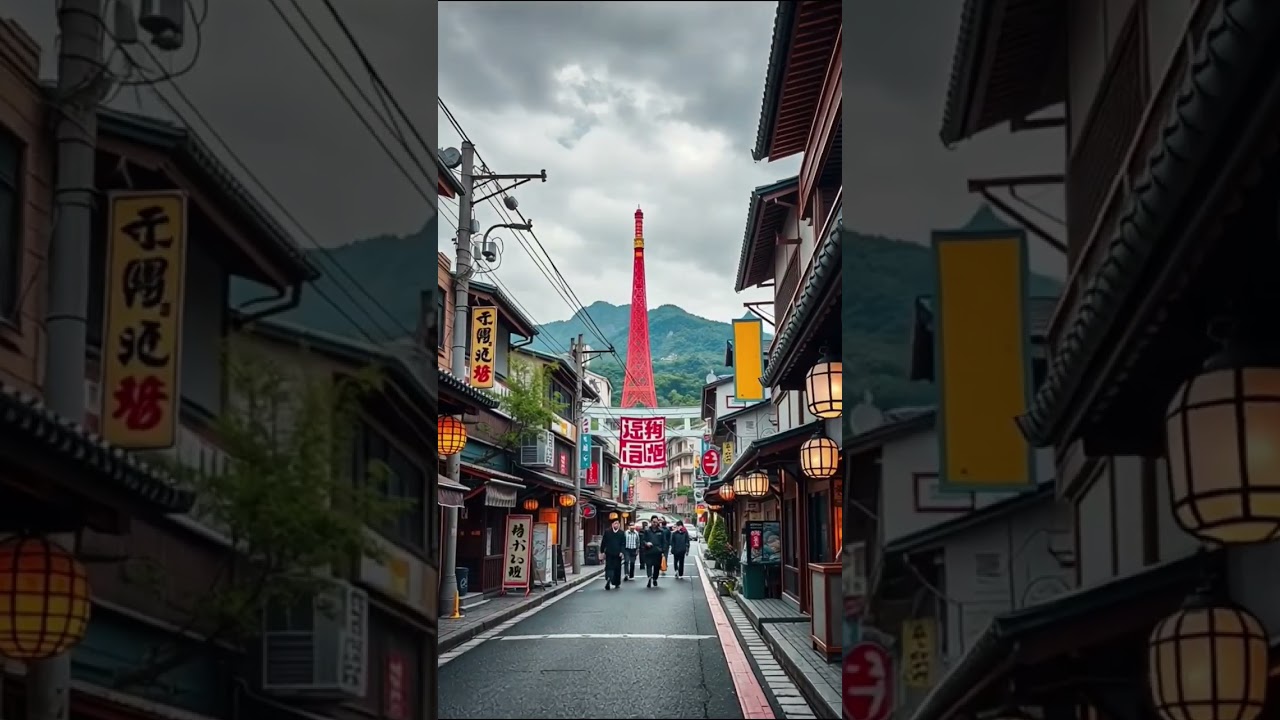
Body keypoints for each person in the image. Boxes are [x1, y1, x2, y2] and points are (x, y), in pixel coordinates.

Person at [640, 516, 667, 588]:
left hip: (657, 552)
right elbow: (642, 540)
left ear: (658, 522)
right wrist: (646, 543)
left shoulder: (661, 531)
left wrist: (663, 551)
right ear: (651, 522)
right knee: (648, 565)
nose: (654, 523)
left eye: (656, 522)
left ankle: (654, 579)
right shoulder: (647, 531)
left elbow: (664, 542)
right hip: (648, 552)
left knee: (656, 567)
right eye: (653, 522)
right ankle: (649, 578)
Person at [599, 519, 626, 590]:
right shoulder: (607, 532)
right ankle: (609, 578)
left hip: (618, 554)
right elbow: (603, 542)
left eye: (617, 523)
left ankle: (617, 583)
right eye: (615, 523)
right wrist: (602, 551)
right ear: (612, 524)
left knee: (617, 568)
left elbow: (623, 543)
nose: (616, 525)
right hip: (609, 553)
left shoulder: (621, 533)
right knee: (609, 567)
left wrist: (622, 551)